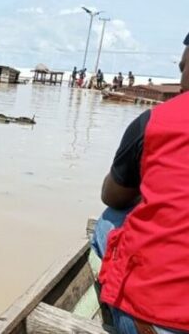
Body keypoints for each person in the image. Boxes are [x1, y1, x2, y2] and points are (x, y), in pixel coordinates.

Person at [91, 33, 189, 334]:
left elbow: (112, 196)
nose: (181, 76)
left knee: (107, 222)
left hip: (160, 319)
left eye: (183, 66)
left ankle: (114, 308)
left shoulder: (156, 121)